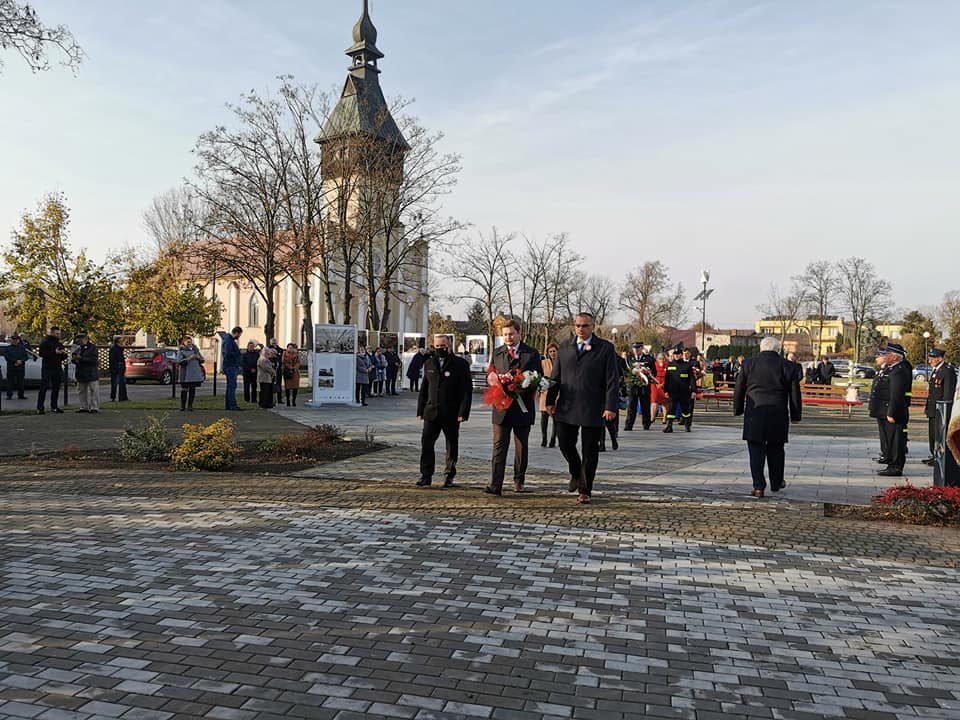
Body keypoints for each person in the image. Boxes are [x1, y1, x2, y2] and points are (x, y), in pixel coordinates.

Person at [545, 312, 619, 504]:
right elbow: (555, 377)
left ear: (593, 326)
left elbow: (612, 379)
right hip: (567, 406)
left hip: (593, 406)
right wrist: (550, 401)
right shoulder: (565, 347)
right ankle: (576, 472)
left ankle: (585, 489)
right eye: (577, 325)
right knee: (565, 443)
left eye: (585, 325)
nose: (580, 329)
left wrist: (611, 406)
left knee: (590, 450)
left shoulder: (605, 348)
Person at [733, 336, 802, 498]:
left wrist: (737, 409)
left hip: (754, 414)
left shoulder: (748, 364)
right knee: (776, 449)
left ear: (761, 348)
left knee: (755, 450)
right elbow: (795, 394)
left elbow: (739, 389)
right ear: (778, 349)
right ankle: (776, 482)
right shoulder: (788, 366)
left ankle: (758, 486)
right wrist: (796, 415)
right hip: (777, 414)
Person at [485, 319, 543, 496]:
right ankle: (496, 484)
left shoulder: (531, 353)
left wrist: (521, 383)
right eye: (505, 335)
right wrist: (495, 379)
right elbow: (491, 372)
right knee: (499, 445)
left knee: (521, 446)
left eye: (511, 334)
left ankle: (519, 480)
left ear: (519, 333)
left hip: (522, 407)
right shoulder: (497, 352)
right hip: (501, 407)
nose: (508, 337)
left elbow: (538, 377)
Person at [415, 335, 472, 488]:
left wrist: (463, 412)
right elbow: (424, 389)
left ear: (450, 345)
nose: (440, 349)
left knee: (451, 446)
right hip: (431, 412)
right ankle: (426, 475)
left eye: (443, 345)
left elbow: (467, 391)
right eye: (437, 346)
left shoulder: (460, 364)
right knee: (426, 444)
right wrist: (420, 410)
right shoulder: (429, 363)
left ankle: (449, 476)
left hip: (452, 413)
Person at [869, 343, 912, 477]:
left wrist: (891, 412)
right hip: (884, 410)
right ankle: (891, 462)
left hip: (893, 412)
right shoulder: (892, 369)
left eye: (887, 354)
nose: (884, 356)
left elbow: (896, 395)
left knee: (896, 440)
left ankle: (896, 466)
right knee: (889, 439)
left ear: (894, 357)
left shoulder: (899, 370)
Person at [923, 348, 956, 465]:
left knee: (939, 434)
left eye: (932, 358)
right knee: (932, 434)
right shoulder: (936, 370)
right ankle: (934, 455)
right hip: (933, 409)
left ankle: (939, 457)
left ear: (940, 358)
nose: (930, 360)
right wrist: (927, 407)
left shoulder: (947, 371)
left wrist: (944, 410)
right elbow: (932, 393)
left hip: (941, 410)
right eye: (930, 358)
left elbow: (947, 394)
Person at [624, 343, 656, 432]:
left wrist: (647, 374)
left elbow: (654, 372)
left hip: (644, 386)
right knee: (631, 406)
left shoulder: (649, 359)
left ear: (641, 349)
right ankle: (629, 425)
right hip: (633, 386)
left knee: (645, 406)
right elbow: (626, 371)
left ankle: (646, 424)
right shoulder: (629, 358)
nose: (636, 351)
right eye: (634, 349)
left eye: (637, 349)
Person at [663, 345, 695, 433]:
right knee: (671, 409)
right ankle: (669, 426)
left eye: (678, 354)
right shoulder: (670, 365)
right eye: (675, 354)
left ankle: (687, 425)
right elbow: (667, 379)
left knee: (685, 409)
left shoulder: (687, 366)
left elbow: (692, 379)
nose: (677, 356)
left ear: (681, 355)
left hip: (684, 392)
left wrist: (693, 390)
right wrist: (665, 390)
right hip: (673, 392)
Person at [37, 326, 67, 414]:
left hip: (57, 367)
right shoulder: (45, 342)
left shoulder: (59, 343)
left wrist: (63, 354)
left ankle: (54, 406)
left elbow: (63, 357)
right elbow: (42, 354)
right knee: (44, 387)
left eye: (59, 333)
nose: (58, 335)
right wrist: (54, 352)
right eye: (57, 333)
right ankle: (40, 407)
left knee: (56, 387)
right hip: (47, 367)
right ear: (52, 332)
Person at [71, 333, 100, 413]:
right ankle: (84, 407)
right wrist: (75, 359)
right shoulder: (78, 348)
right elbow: (72, 357)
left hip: (91, 372)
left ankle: (94, 407)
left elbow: (94, 360)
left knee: (93, 390)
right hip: (81, 372)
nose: (78, 342)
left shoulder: (93, 348)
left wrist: (81, 358)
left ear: (85, 339)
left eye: (80, 340)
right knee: (81, 390)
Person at [216, 327, 243, 411]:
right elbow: (227, 353)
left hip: (229, 365)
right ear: (236, 333)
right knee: (232, 386)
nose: (239, 336)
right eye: (239, 334)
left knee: (230, 386)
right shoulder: (229, 341)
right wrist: (237, 353)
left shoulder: (228, 340)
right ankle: (232, 405)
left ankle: (228, 405)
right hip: (231, 365)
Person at [176, 336, 205, 411]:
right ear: (184, 343)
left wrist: (199, 358)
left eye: (191, 342)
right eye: (188, 342)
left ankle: (190, 406)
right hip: (185, 374)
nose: (190, 344)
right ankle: (182, 406)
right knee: (184, 389)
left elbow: (202, 360)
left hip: (194, 373)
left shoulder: (195, 350)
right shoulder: (181, 350)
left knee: (192, 389)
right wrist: (190, 358)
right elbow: (179, 361)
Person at [539, 343, 559, 447]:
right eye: (550, 351)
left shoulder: (561, 362)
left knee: (555, 417)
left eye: (554, 351)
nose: (552, 353)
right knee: (544, 416)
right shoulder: (543, 363)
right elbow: (539, 375)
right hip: (545, 391)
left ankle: (553, 439)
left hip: (557, 393)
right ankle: (544, 438)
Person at [2, 334, 31, 400]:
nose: (15, 341)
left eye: (16, 340)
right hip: (11, 367)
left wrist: (21, 361)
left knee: (21, 382)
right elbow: (7, 357)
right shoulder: (8, 348)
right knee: (10, 382)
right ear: (11, 340)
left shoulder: (22, 348)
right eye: (13, 340)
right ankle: (9, 395)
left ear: (18, 340)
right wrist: (15, 361)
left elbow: (26, 357)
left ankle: (21, 395)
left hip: (20, 367)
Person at [107, 336, 128, 402]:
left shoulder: (119, 349)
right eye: (121, 340)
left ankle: (123, 397)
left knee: (122, 383)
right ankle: (113, 398)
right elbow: (112, 360)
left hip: (120, 368)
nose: (123, 341)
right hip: (116, 369)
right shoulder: (114, 349)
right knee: (114, 384)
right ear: (118, 341)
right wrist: (115, 367)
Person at [651, 352, 669, 424]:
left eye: (663, 358)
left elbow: (669, 376)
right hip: (655, 385)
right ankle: (652, 417)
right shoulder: (654, 364)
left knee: (665, 402)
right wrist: (656, 383)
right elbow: (651, 375)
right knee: (654, 401)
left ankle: (664, 418)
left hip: (665, 385)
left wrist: (663, 384)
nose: (662, 360)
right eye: (660, 358)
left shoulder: (667, 365)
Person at [267, 338, 284, 406]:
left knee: (278, 385)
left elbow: (282, 359)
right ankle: (271, 400)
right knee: (270, 386)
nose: (274, 344)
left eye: (275, 342)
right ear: (271, 343)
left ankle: (279, 399)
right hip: (270, 371)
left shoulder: (281, 350)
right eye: (273, 343)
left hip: (278, 370)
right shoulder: (268, 349)